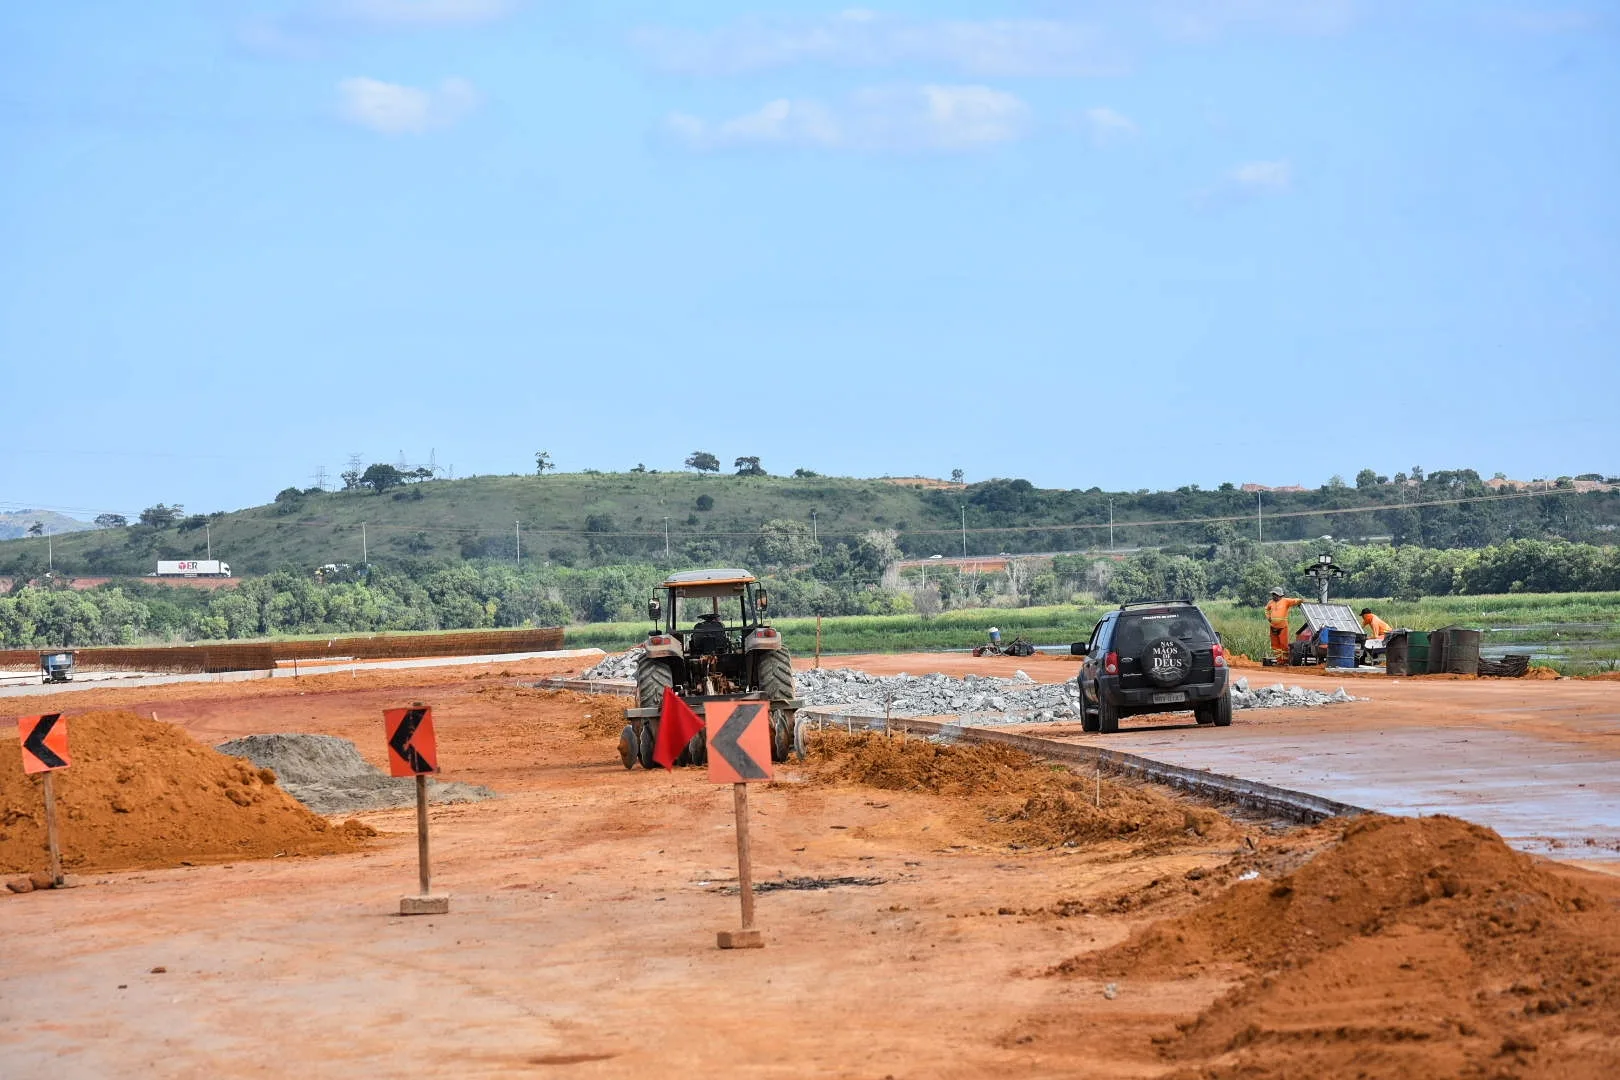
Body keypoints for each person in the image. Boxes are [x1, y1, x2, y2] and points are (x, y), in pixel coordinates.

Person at [1265, 587, 1303, 661]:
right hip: (1273, 627)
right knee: (1275, 646)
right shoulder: (1270, 602)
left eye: (1274, 594)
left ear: (1279, 595)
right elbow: (1266, 609)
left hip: (1283, 627)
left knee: (1284, 645)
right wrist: (1268, 617)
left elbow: (1294, 601)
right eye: (1272, 594)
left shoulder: (1285, 601)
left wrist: (1300, 600)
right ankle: (1279, 661)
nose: (1273, 596)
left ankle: (1285, 661)